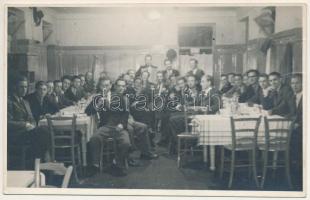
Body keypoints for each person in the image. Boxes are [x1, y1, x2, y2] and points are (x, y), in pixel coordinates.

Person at [88, 79, 132, 176]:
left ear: (110, 85)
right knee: (94, 139)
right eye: (103, 85)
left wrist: (122, 124)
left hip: (118, 126)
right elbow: (87, 111)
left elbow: (125, 113)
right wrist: (98, 104)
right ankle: (95, 164)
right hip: (105, 127)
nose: (105, 87)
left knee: (126, 143)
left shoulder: (119, 96)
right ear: (100, 87)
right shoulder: (97, 98)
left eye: (107, 85)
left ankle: (116, 163)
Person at [8, 76, 51, 162]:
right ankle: (43, 161)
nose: (24, 89)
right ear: (15, 87)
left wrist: (33, 124)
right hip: (15, 135)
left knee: (44, 131)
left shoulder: (25, 102)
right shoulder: (8, 101)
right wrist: (25, 124)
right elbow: (6, 122)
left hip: (27, 133)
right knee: (42, 132)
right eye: (21, 87)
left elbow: (31, 119)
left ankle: (40, 162)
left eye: (26, 87)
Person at [290, 73, 303, 189]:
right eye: (292, 83)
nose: (294, 86)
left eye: (297, 83)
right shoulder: (294, 96)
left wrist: (299, 124)